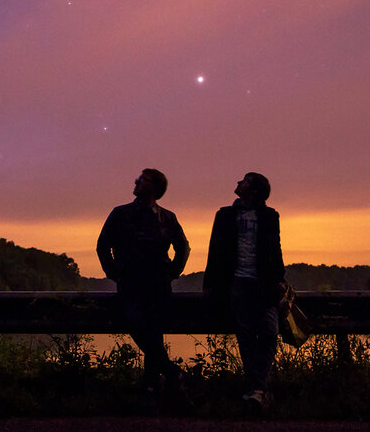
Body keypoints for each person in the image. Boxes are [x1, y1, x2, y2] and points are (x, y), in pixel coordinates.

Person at [96, 168, 190, 391]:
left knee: (154, 331)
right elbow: (103, 245)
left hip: (158, 283)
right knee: (135, 322)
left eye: (143, 179)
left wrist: (174, 271)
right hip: (130, 282)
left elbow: (182, 246)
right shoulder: (120, 214)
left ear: (154, 188)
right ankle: (171, 372)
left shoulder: (167, 217)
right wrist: (113, 272)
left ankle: (150, 386)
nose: (136, 181)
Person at [202, 172, 286, 413]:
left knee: (269, 333)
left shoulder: (270, 216)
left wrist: (279, 279)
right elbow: (214, 251)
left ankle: (255, 388)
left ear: (255, 190)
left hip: (264, 284)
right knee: (246, 337)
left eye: (245, 180)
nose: (239, 182)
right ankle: (257, 391)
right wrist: (209, 283)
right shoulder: (225, 215)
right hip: (237, 283)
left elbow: (275, 249)